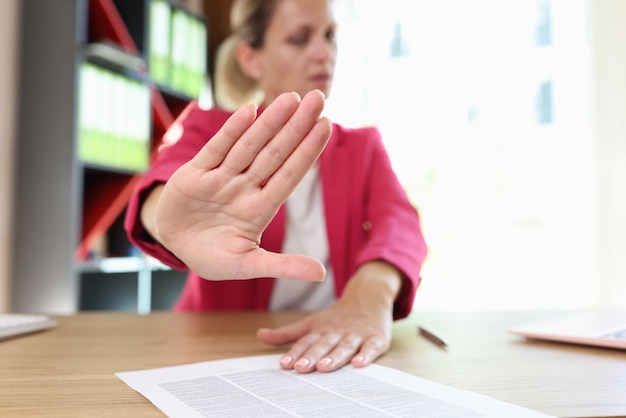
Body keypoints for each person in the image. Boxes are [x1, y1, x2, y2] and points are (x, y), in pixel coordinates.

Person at [124, 0, 427, 374]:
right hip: (215, 351)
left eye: (330, 36)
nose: (324, 53)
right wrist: (164, 218)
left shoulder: (363, 148)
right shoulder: (212, 130)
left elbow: (400, 223)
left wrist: (371, 294)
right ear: (251, 59)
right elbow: (165, 187)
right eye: (299, 39)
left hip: (329, 356)